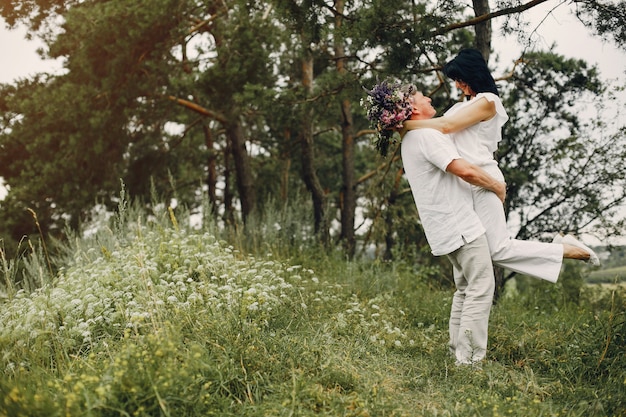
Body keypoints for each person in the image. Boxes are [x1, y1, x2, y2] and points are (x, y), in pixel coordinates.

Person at [402, 49, 599, 284]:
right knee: (475, 251)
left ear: (471, 75)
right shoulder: (460, 106)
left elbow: (444, 126)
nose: (457, 86)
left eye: (459, 80)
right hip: (466, 183)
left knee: (498, 250)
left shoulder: (489, 102)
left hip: (482, 176)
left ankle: (566, 249)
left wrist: (401, 125)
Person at [364, 80, 507, 366]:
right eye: (421, 96)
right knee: (480, 287)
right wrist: (496, 186)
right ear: (412, 108)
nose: (429, 97)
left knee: (465, 289)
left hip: (443, 229)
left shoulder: (411, 139)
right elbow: (464, 170)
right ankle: (469, 362)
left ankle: (456, 349)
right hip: (461, 225)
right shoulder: (427, 138)